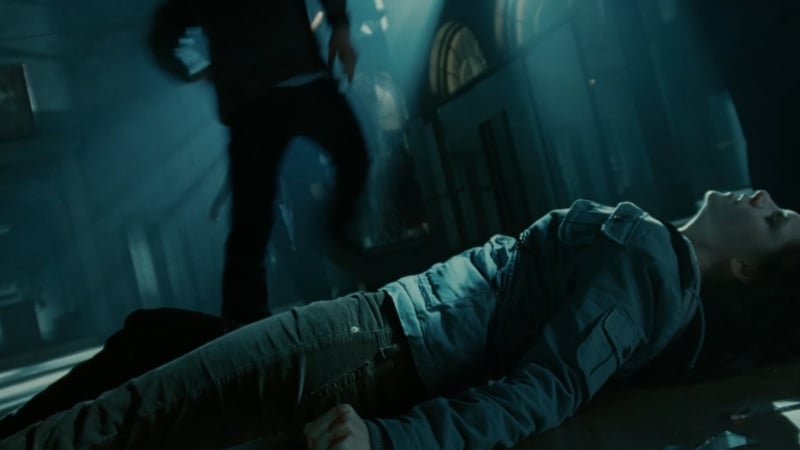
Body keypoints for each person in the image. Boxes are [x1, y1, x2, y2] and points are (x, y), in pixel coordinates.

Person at [2, 189, 800, 449]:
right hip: (378, 336)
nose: (763, 198)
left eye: (773, 221)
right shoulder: (656, 265)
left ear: (742, 270)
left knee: (129, 416)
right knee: (149, 363)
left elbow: (542, 392)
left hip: (377, 344)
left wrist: (388, 442)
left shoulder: (651, 270)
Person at [149, 0, 371, 323]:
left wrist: (195, 69)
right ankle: (245, 314)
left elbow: (163, 34)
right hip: (276, 89)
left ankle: (244, 314)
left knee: (253, 220)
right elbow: (164, 32)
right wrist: (339, 26)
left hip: (262, 95)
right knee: (255, 219)